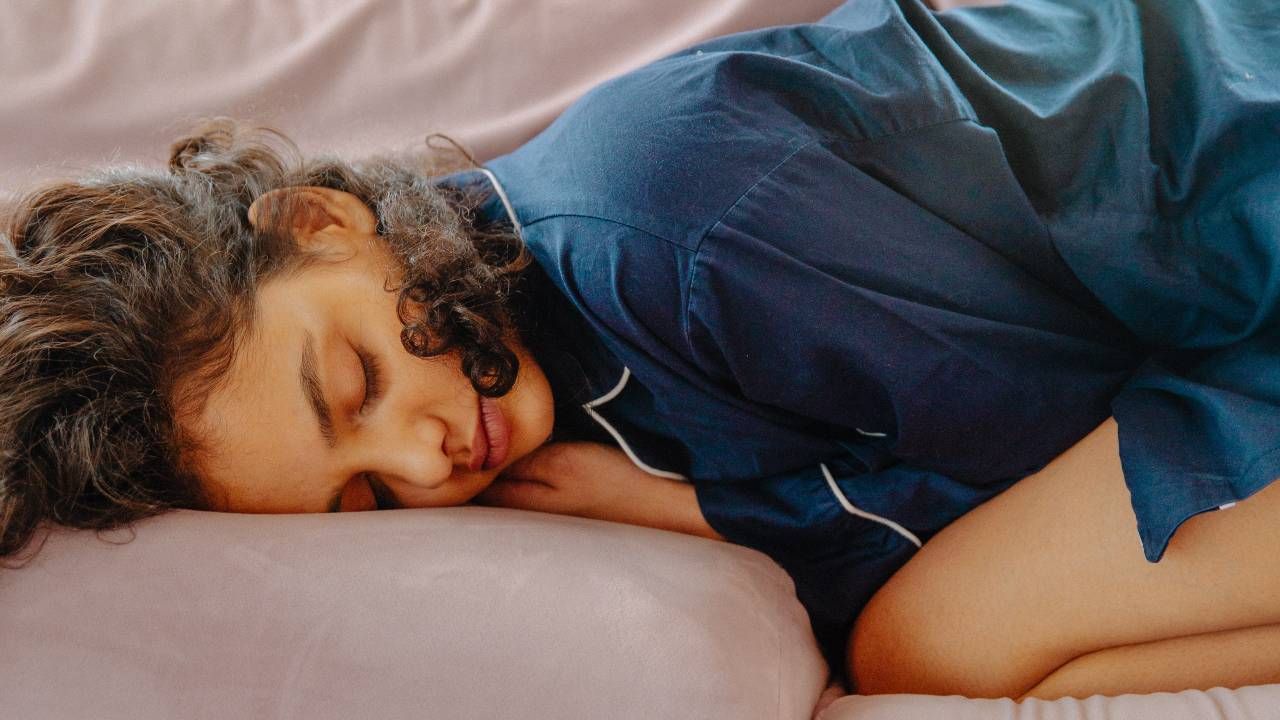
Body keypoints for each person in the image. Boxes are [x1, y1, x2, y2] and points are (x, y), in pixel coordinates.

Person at [2, 0, 1278, 700]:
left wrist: (709, 516)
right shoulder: (540, 340)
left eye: (357, 381)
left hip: (1244, 242)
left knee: (928, 648)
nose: (429, 453)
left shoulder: (665, 228)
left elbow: (1037, 446)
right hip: (1189, 309)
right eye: (364, 495)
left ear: (322, 223)